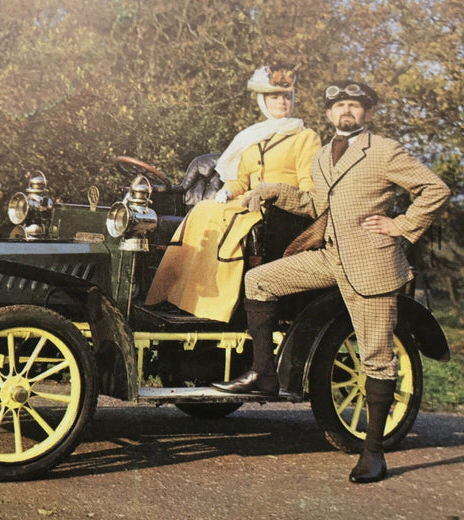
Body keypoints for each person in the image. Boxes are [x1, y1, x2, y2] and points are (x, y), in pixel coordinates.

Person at [212, 79, 451, 483]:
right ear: (328, 114)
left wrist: (402, 226)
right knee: (259, 281)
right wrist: (271, 190)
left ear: (368, 113)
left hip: (372, 264)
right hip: (329, 257)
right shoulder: (323, 156)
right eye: (339, 106)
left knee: (376, 356)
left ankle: (373, 451)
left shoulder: (385, 150)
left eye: (355, 106)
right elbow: (314, 205)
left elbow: (435, 189)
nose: (347, 112)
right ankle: (264, 374)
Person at [145, 65, 321, 322]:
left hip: (279, 211)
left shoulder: (305, 137)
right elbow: (241, 179)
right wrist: (227, 191)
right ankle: (180, 295)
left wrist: (284, 198)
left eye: (286, 97)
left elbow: (308, 185)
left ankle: (214, 305)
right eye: (275, 97)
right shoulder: (253, 137)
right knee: (204, 210)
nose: (282, 102)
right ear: (263, 101)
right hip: (247, 201)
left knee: (231, 224)